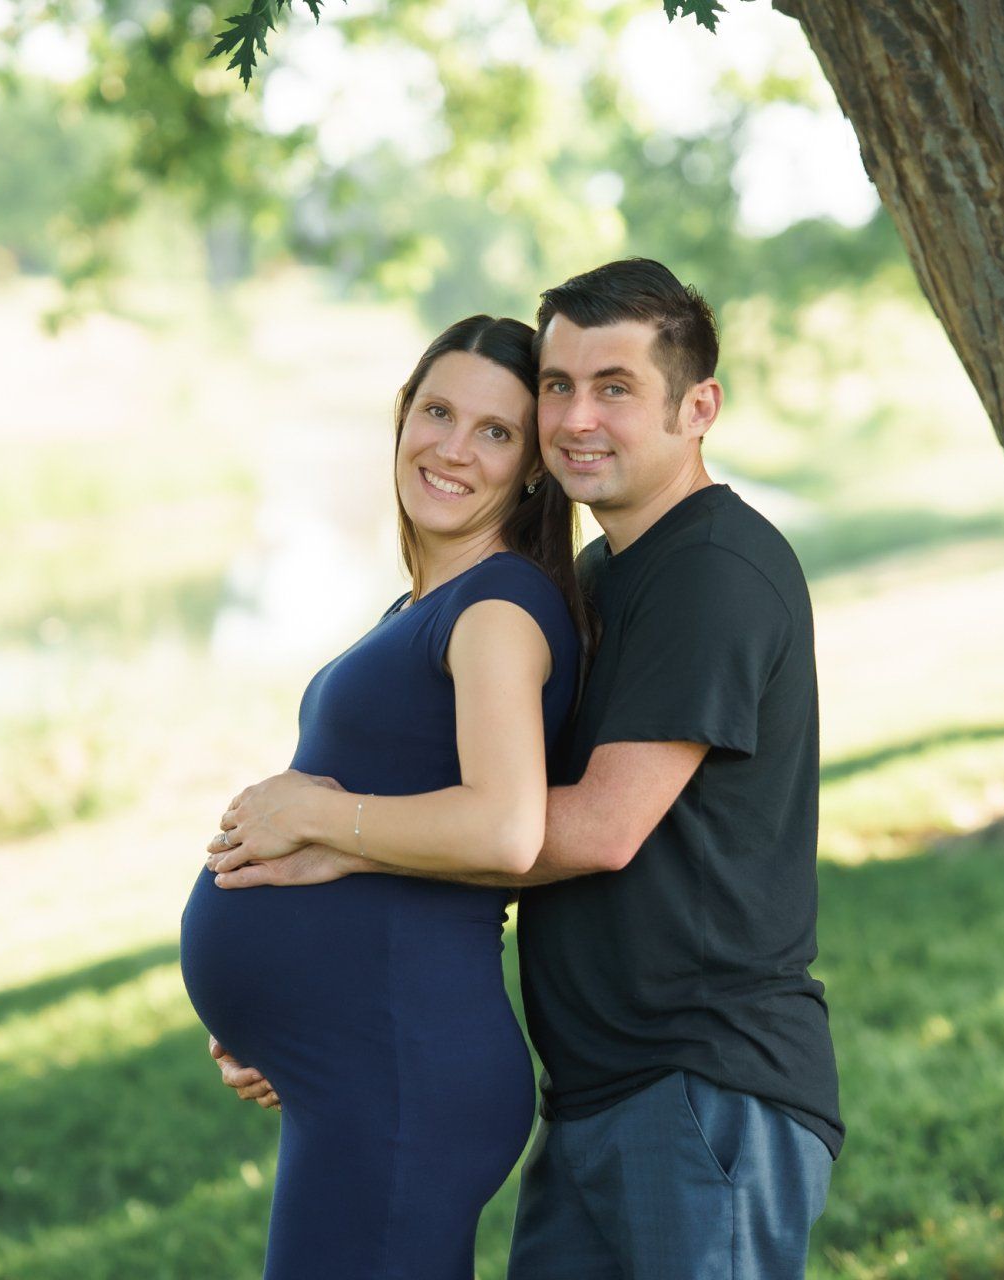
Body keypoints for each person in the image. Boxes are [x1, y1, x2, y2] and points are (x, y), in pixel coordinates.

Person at [206, 259, 844, 1279]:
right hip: (597, 1086)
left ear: (699, 407)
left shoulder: (712, 569)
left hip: (704, 1080)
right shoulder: (599, 579)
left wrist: (338, 833)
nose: (577, 415)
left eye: (616, 387)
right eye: (558, 385)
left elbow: (594, 826)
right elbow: (491, 805)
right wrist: (313, 1008)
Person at [179, 314, 584, 1280]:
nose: (453, 447)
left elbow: (505, 826)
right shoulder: (425, 605)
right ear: (402, 416)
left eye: (496, 432)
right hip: (365, 1063)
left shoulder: (495, 609)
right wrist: (279, 1023)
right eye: (437, 411)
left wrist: (316, 817)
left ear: (532, 468)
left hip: (404, 1070)